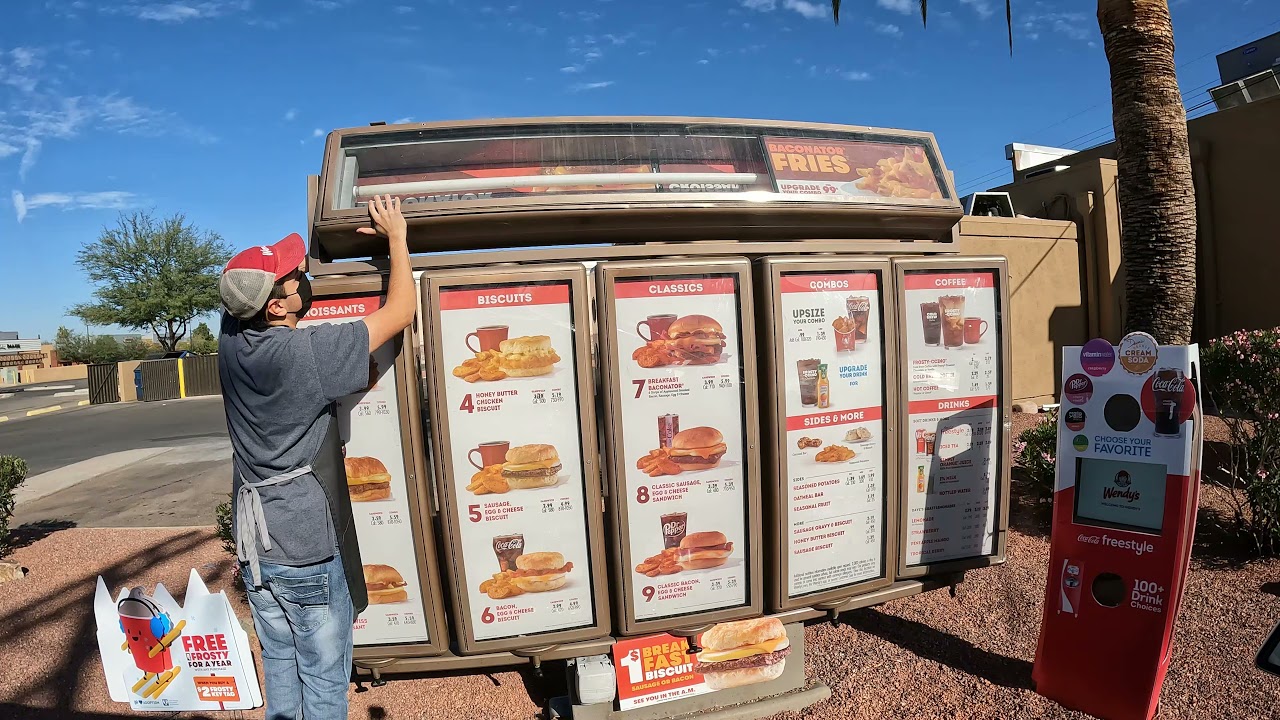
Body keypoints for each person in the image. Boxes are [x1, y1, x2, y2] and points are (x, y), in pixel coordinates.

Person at [217, 196, 413, 719]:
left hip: (256, 548)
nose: (302, 276)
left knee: (281, 667)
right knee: (324, 682)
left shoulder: (231, 341)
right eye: (292, 277)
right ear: (275, 308)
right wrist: (396, 238)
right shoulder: (302, 355)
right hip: (305, 548)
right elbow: (400, 313)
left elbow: (242, 301)